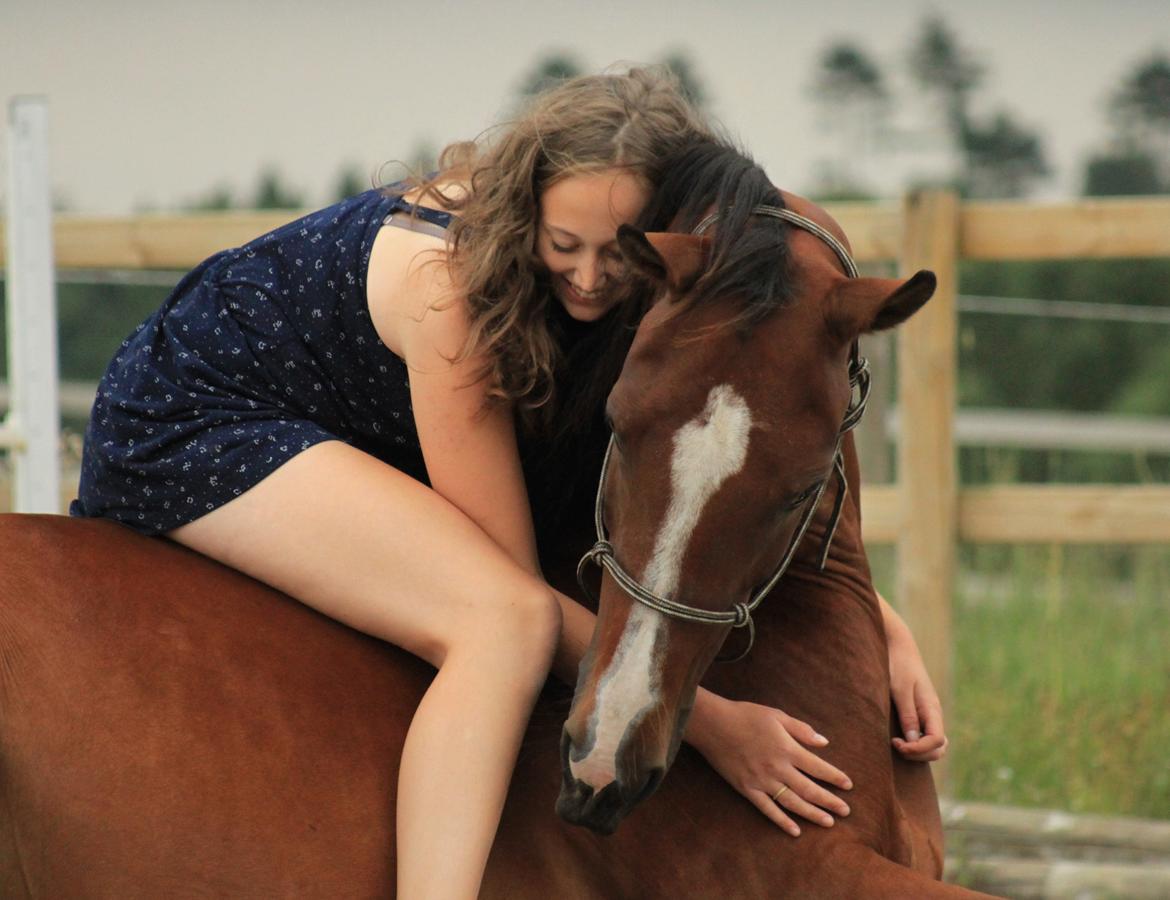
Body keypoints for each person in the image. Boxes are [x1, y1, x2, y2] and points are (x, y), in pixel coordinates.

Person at [71, 66, 945, 897]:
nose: (594, 278)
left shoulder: (643, 270)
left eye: (617, 251)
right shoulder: (447, 291)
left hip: (352, 418)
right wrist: (713, 725)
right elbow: (512, 569)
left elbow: (714, 479)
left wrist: (881, 626)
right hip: (213, 416)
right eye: (563, 245)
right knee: (502, 621)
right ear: (523, 206)